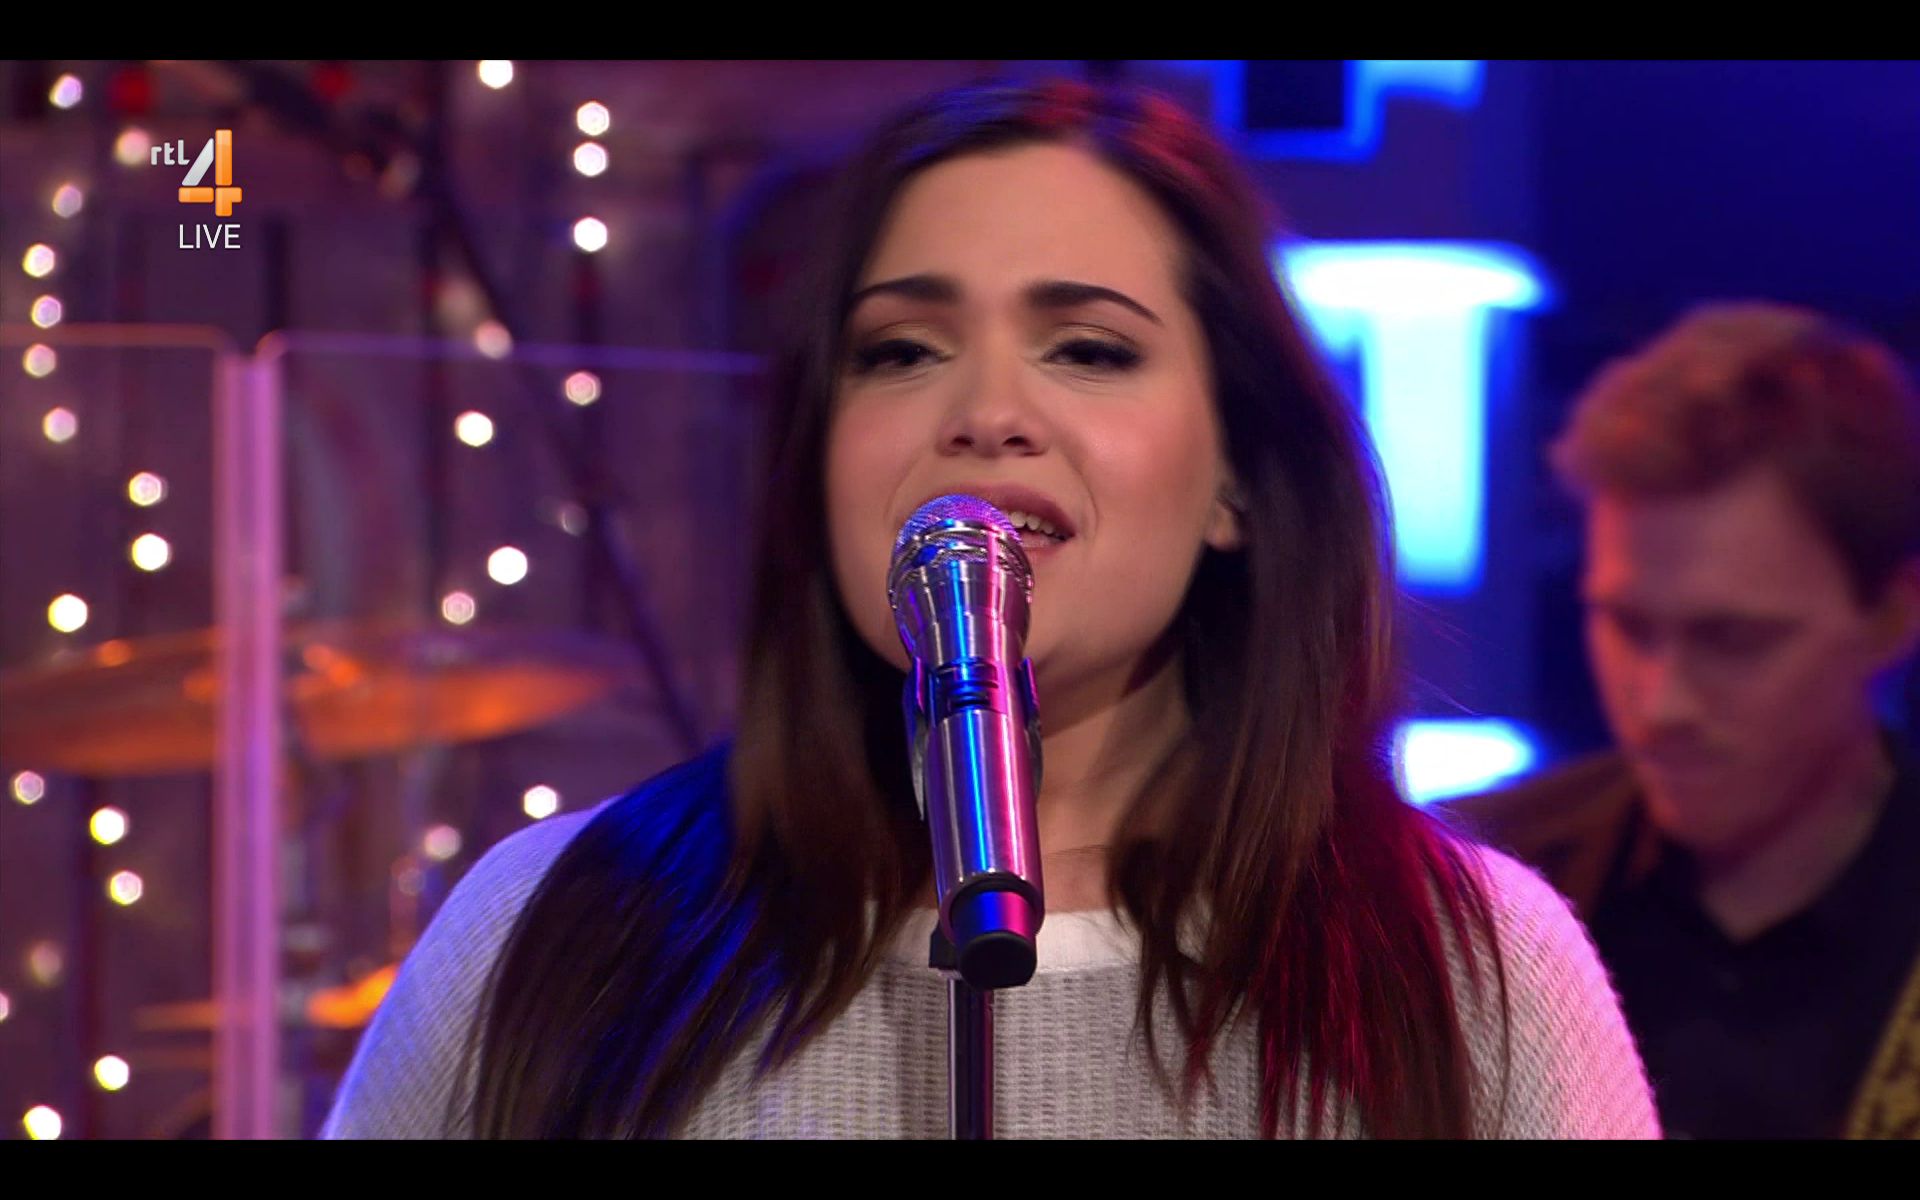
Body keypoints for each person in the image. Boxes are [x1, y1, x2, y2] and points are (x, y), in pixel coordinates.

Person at [320, 79, 1657, 1140]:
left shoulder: (1473, 972)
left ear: (1238, 479)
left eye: (1089, 349)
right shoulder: (551, 931)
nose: (986, 412)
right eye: (902, 351)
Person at [1446, 303, 1920, 1139]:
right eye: (1627, 627)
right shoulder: (1466, 899)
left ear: (1893, 618)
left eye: (1734, 640)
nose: (1661, 705)